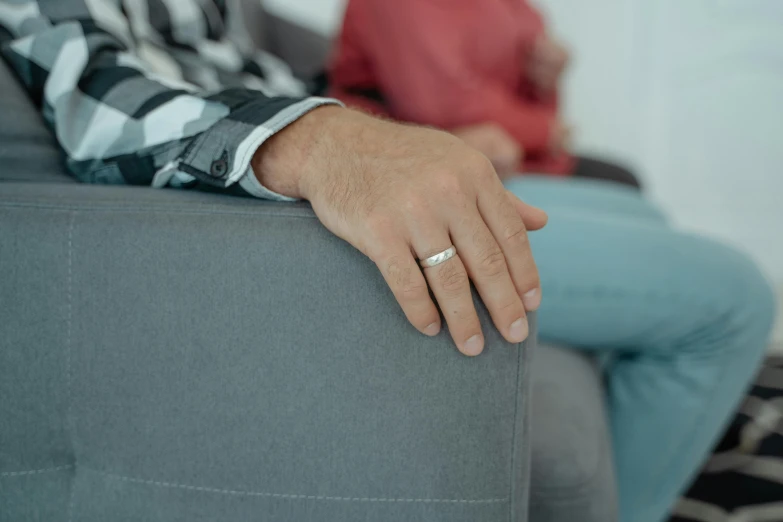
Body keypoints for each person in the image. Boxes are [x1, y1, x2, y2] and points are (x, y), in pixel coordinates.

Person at [0, 2, 775, 522]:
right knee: (730, 297)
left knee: (636, 212)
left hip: (309, 147)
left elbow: (267, 80)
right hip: (262, 215)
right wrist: (326, 141)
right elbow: (97, 102)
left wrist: (397, 129)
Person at [329, 0, 641, 188]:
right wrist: (543, 131)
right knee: (621, 185)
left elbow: (531, 66)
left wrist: (545, 81)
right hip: (431, 165)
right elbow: (442, 102)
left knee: (623, 180)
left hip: (513, 158)